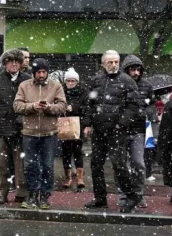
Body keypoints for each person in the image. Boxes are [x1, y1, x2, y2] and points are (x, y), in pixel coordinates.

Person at [83, 50, 141, 213]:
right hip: (99, 130)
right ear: (103, 64)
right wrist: (87, 123)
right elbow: (89, 104)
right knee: (95, 164)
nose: (114, 65)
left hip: (117, 131)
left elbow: (133, 106)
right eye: (110, 62)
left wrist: (121, 124)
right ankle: (100, 198)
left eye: (116, 62)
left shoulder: (127, 81)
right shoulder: (96, 80)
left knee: (119, 165)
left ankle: (132, 196)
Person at [14, 58, 67, 209]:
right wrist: (32, 106)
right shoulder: (24, 86)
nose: (42, 75)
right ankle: (31, 194)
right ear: (34, 73)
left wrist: (49, 108)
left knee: (48, 166)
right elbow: (17, 105)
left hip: (49, 133)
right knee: (30, 165)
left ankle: (44, 196)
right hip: (29, 133)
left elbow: (62, 106)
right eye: (39, 72)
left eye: (44, 72)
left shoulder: (56, 86)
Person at [0, 49, 30, 204]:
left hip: (21, 130)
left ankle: (22, 193)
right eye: (10, 61)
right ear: (5, 63)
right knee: (0, 165)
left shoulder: (27, 80)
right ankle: (2, 194)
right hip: (1, 129)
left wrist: (23, 119)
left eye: (17, 61)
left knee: (21, 165)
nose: (14, 64)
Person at [121, 55, 156, 208]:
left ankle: (138, 194)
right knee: (121, 165)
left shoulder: (147, 86)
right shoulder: (119, 84)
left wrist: (146, 112)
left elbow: (153, 106)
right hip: (121, 131)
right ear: (126, 70)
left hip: (139, 131)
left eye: (138, 70)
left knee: (138, 164)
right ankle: (124, 195)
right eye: (132, 69)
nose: (135, 73)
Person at [61, 68, 88, 190]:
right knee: (65, 152)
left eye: (73, 81)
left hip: (78, 125)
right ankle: (68, 178)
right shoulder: (61, 91)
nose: (70, 83)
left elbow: (87, 108)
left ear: (77, 81)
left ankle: (79, 178)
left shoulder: (83, 92)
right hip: (64, 124)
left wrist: (75, 108)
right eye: (68, 81)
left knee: (78, 151)